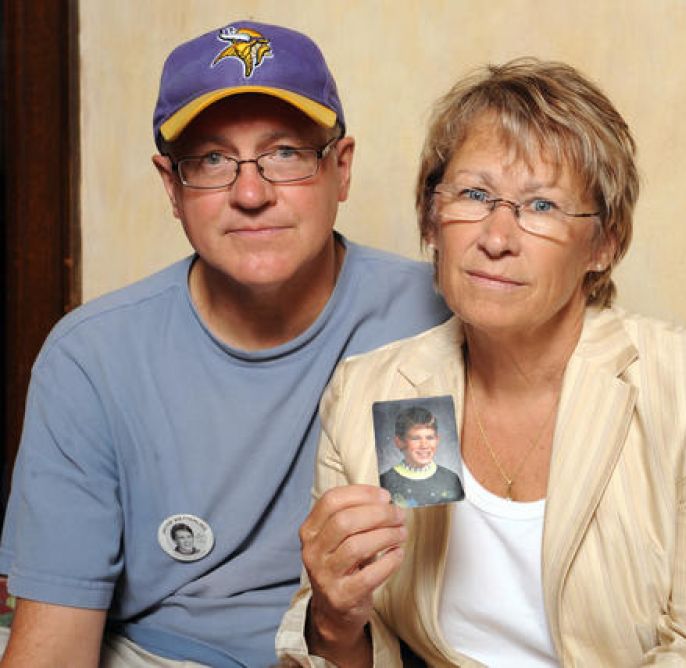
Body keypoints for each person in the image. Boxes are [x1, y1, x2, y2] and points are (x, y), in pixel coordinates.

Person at [277, 58, 686, 666]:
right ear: (431, 220)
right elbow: (361, 645)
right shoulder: (376, 390)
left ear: (604, 244)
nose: (497, 237)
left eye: (541, 206)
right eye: (473, 194)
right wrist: (333, 622)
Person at [0, 20, 448, 668]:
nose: (250, 192)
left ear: (340, 169)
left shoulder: (431, 314)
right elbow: (55, 644)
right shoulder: (89, 360)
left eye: (286, 153)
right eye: (211, 160)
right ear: (171, 187)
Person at [379, 405, 464, 508]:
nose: (424, 445)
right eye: (415, 438)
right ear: (400, 442)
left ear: (437, 440)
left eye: (430, 437)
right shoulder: (385, 481)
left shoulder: (451, 479)